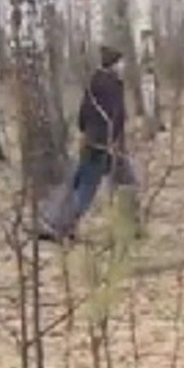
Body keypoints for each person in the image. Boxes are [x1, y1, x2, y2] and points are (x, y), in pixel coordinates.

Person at [42, 46, 136, 242]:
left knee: (78, 182)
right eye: (121, 62)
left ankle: (55, 221)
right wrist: (112, 137)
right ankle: (60, 226)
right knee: (87, 187)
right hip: (104, 142)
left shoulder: (94, 82)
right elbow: (117, 115)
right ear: (114, 64)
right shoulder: (113, 85)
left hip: (91, 140)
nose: (124, 66)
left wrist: (86, 131)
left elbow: (83, 114)